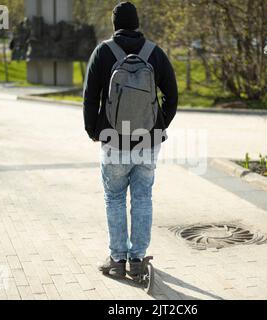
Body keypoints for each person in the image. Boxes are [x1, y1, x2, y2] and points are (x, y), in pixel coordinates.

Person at [83, 1, 178, 278]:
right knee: (143, 198)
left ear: (114, 25)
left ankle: (116, 260)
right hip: (148, 142)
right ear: (136, 23)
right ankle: (137, 261)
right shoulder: (154, 53)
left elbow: (90, 98)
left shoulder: (103, 52)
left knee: (114, 198)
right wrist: (158, 126)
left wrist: (93, 131)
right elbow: (172, 96)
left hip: (113, 141)